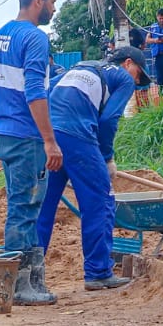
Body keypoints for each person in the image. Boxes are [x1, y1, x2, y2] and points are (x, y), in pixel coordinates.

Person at [33, 46, 150, 291]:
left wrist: (46, 138)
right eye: (139, 74)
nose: (137, 81)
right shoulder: (122, 78)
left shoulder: (81, 66)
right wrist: (107, 158)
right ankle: (98, 272)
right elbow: (108, 120)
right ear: (128, 63)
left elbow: (46, 92)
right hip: (78, 137)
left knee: (44, 206)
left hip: (51, 139)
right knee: (99, 202)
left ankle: (31, 276)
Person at [0, 0, 62, 306]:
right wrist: (49, 140)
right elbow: (35, 91)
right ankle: (19, 285)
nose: (54, 9)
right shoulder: (34, 38)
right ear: (38, 1)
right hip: (25, 135)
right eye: (53, 2)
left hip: (4, 132)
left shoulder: (0, 35)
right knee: (23, 207)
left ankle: (32, 283)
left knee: (27, 205)